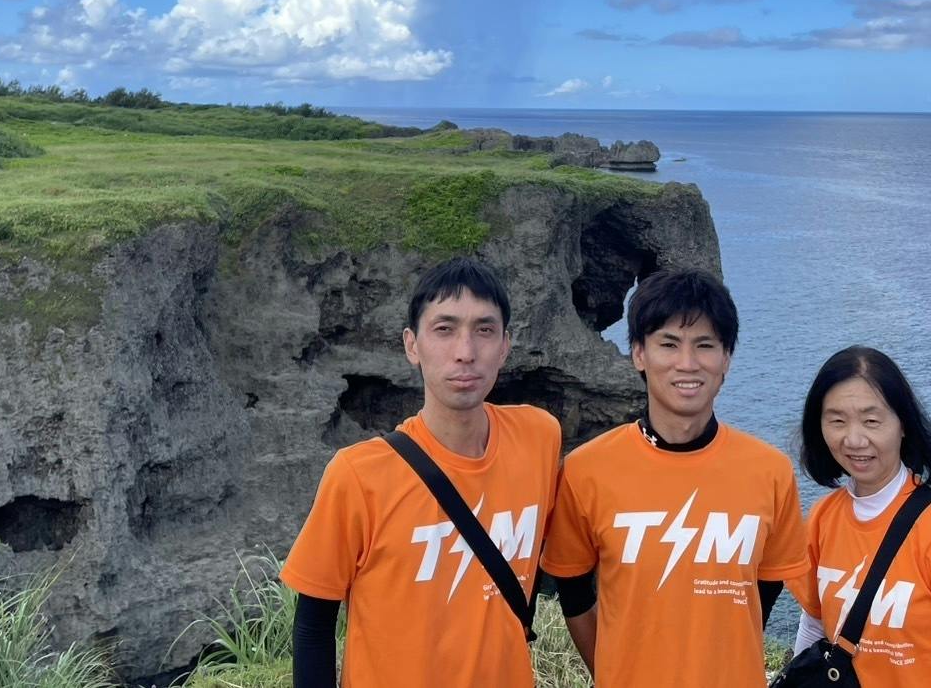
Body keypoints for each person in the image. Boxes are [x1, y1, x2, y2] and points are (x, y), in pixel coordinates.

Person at [282, 256, 561, 688]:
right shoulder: (358, 475)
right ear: (412, 345)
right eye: (444, 329)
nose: (465, 352)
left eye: (484, 330)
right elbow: (313, 626)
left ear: (505, 345)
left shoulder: (540, 437)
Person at [540, 267, 809, 688]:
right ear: (639, 354)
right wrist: (616, 671)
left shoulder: (770, 471)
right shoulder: (586, 469)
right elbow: (572, 590)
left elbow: (767, 588)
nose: (687, 363)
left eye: (705, 345)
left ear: (726, 358)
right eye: (668, 344)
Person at [792, 346, 931, 688]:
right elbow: (814, 624)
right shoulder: (822, 518)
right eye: (837, 421)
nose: (854, 439)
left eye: (871, 421)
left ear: (903, 424)